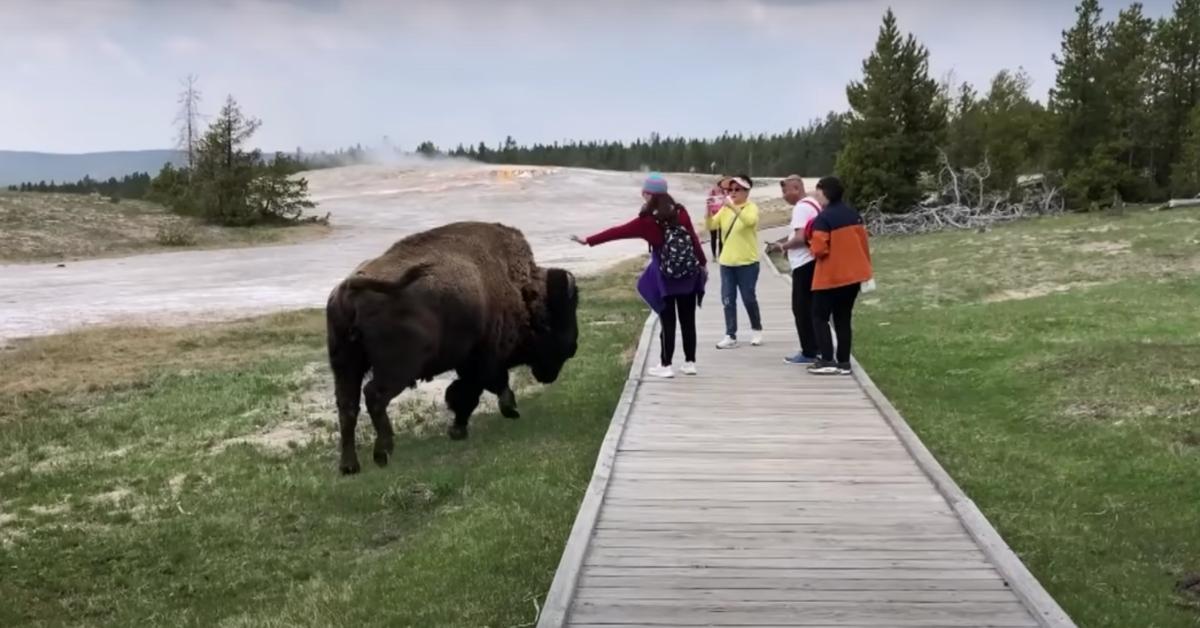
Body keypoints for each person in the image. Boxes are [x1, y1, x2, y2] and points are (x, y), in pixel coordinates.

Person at [571, 173, 707, 378]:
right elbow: (694, 239)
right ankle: (690, 363)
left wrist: (588, 240)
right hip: (688, 274)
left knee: (667, 321)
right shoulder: (681, 212)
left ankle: (666, 365)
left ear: (647, 194)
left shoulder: (647, 221)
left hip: (666, 279)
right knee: (688, 320)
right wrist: (703, 264)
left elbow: (617, 232)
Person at [805, 176, 872, 375]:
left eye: (818, 193)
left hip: (830, 277)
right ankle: (844, 362)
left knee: (819, 316)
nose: (817, 197)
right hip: (852, 278)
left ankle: (827, 359)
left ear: (825, 193)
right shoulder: (854, 215)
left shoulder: (823, 219)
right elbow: (863, 244)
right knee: (843, 319)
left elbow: (819, 249)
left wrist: (810, 244)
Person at [767, 175, 822, 364]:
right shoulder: (813, 204)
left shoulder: (801, 207)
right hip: (813, 261)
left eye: (785, 191)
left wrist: (784, 246)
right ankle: (819, 346)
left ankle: (809, 351)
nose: (783, 195)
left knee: (801, 308)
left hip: (804, 263)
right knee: (812, 307)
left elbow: (800, 238)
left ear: (797, 188)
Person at [710, 174, 762, 349]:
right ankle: (730, 334)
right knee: (727, 299)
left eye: (737, 189)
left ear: (746, 192)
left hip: (747, 262)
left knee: (748, 297)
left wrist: (732, 207)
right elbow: (711, 226)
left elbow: (749, 222)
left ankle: (756, 328)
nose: (732, 193)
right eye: (730, 190)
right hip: (727, 262)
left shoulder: (751, 207)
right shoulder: (725, 209)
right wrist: (708, 210)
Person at [704, 176, 730, 259]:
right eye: (721, 183)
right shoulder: (712, 192)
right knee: (713, 237)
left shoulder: (725, 193)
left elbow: (727, 204)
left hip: (722, 216)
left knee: (722, 236)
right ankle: (714, 255)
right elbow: (708, 204)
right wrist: (709, 214)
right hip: (713, 216)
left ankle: (721, 254)